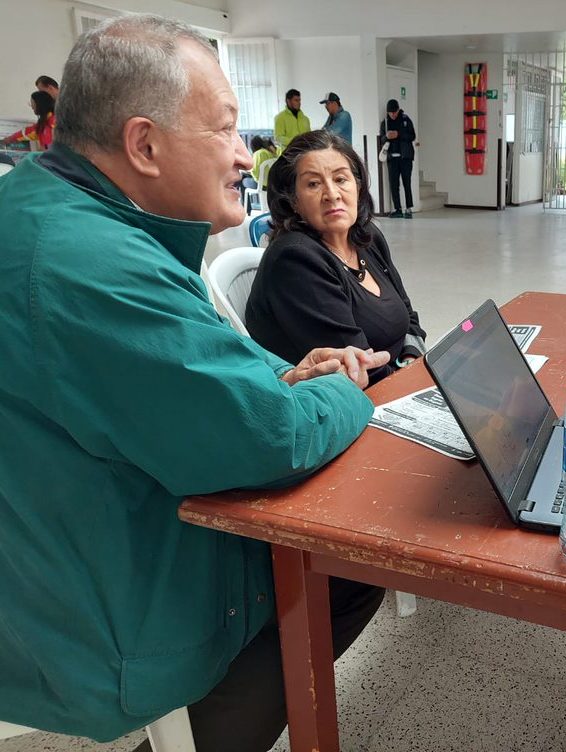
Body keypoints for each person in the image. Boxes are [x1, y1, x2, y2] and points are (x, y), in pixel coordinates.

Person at [0, 16, 390, 752]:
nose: (245, 156)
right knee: (346, 564)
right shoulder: (89, 265)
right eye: (225, 130)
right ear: (143, 144)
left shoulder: (49, 210)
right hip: (102, 606)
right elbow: (270, 435)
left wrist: (282, 374)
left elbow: (188, 362)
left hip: (51, 546)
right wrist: (344, 385)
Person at [246, 130, 426, 386]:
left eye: (341, 179)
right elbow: (359, 371)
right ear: (294, 201)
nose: (332, 194)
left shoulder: (367, 237)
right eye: (313, 184)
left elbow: (410, 319)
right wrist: (414, 385)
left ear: (358, 186)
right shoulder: (295, 259)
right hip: (350, 405)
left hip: (400, 379)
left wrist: (411, 360)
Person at [380, 98, 417, 218]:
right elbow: (381, 140)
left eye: (394, 112)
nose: (393, 115)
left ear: (398, 110)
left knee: (407, 183)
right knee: (394, 184)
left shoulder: (406, 120)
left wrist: (399, 134)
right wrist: (387, 136)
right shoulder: (385, 123)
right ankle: (397, 209)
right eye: (390, 113)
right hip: (392, 158)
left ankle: (409, 208)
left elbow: (412, 136)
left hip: (405, 157)